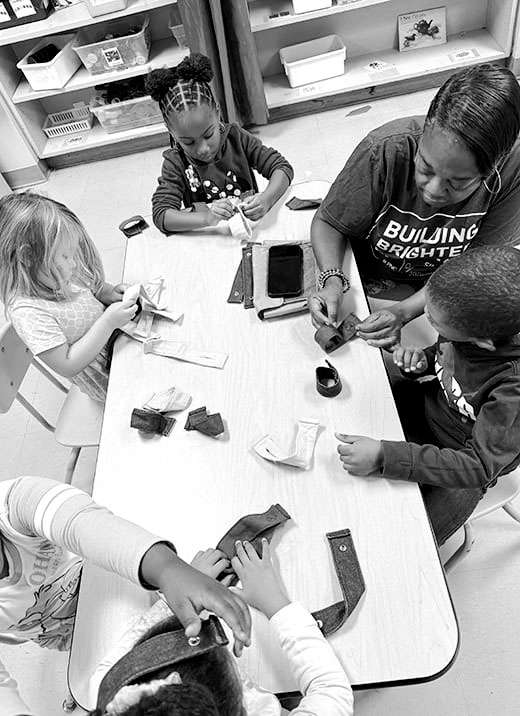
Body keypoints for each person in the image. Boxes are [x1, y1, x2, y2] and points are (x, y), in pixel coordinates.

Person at [0, 476, 251, 716]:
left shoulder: (13, 504)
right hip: (68, 636)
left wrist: (168, 569)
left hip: (111, 576)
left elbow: (83, 524)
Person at [310, 63, 520, 349]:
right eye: (425, 167)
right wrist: (332, 279)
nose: (433, 191)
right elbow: (329, 221)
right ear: (423, 136)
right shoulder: (385, 149)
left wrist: (404, 312)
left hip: (439, 300)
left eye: (458, 182)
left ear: (493, 168)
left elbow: (475, 272)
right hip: (366, 278)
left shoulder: (512, 175)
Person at [335, 247, 520, 545]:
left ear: (484, 343)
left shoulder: (513, 389)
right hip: (428, 407)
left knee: (408, 543)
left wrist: (386, 455)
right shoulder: (466, 325)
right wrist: (421, 362)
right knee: (351, 401)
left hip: (465, 461)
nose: (424, 320)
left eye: (433, 321)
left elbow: (477, 468)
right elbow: (443, 355)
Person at [88, 540, 353, 715]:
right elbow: (331, 690)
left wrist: (175, 599)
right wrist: (276, 603)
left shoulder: (109, 691)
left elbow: (113, 669)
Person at [0, 192, 138, 403]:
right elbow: (67, 364)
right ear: (27, 256)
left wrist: (106, 292)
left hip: (121, 344)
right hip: (109, 378)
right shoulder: (28, 312)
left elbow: (87, 287)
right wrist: (108, 322)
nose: (73, 263)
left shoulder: (49, 270)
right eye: (65, 256)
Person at [146, 54, 294, 234]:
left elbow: (282, 168)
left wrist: (266, 200)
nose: (203, 149)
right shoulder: (175, 163)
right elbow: (161, 215)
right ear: (171, 132)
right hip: (209, 240)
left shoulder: (237, 138)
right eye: (188, 142)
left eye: (208, 135)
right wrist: (208, 217)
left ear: (218, 112)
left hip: (250, 231)